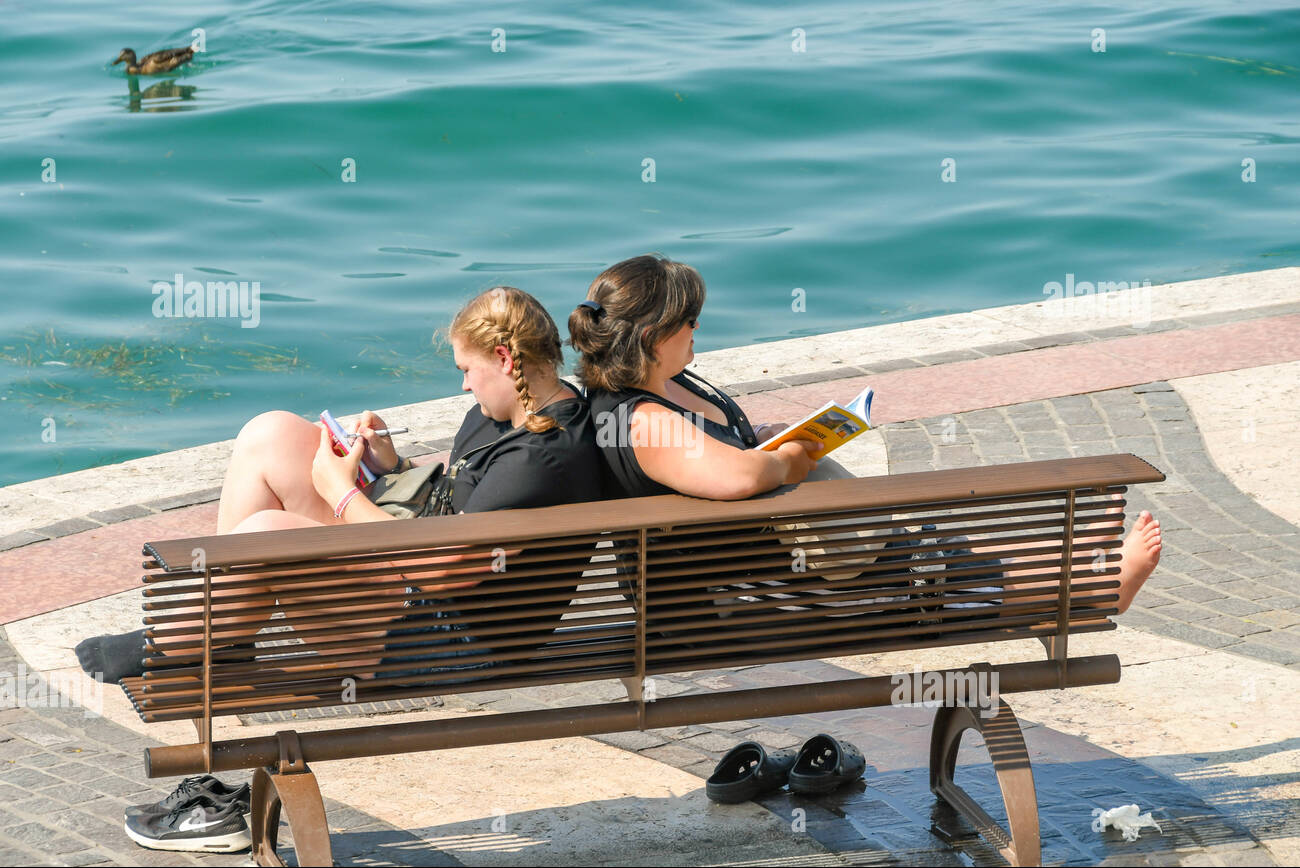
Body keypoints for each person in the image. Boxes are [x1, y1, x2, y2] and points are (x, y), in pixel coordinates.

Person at [567, 253, 1162, 616]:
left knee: (930, 547)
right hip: (747, 593)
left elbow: (722, 454)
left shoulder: (663, 386)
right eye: (688, 320)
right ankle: (1093, 585)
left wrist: (770, 434)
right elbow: (741, 475)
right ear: (651, 335)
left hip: (783, 559)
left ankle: (1085, 569)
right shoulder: (640, 419)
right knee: (930, 566)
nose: (698, 328)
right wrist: (794, 455)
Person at [78, 285, 604, 678]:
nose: (464, 384)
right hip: (408, 589)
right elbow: (459, 504)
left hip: (440, 639)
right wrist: (391, 466)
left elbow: (444, 570)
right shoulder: (509, 409)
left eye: (467, 369)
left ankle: (177, 642)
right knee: (272, 434)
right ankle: (224, 631)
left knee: (263, 533)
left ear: (505, 358)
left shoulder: (543, 453)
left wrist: (343, 492)